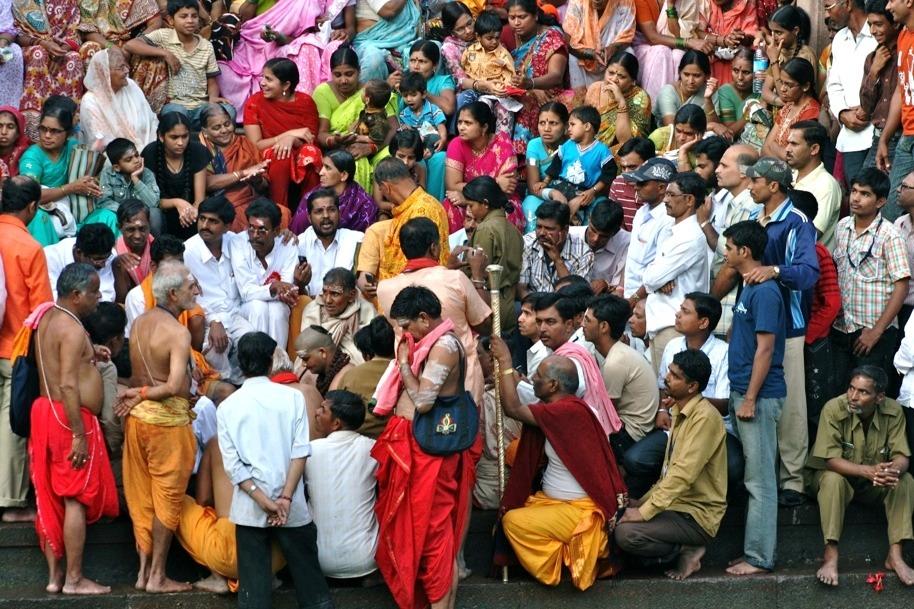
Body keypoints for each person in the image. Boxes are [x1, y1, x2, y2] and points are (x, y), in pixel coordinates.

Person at [713, 157, 819, 507]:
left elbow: (807, 273)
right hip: (753, 324)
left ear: (774, 186)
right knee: (761, 404)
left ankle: (793, 481)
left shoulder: (797, 222)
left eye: (755, 180)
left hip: (787, 327)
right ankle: (766, 479)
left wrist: (774, 269)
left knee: (789, 407)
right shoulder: (756, 221)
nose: (750, 184)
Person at [371, 286, 475, 609]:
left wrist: (403, 363)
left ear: (424, 318)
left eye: (406, 325)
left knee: (432, 534)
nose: (403, 333)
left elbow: (425, 402)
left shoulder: (443, 346)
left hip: (429, 454)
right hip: (416, 448)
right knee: (424, 532)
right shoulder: (432, 341)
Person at [493, 342, 627, 590]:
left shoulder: (568, 412)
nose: (533, 378)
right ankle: (570, 549)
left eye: (539, 376)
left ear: (553, 385)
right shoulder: (561, 409)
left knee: (512, 520)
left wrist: (505, 363)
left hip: (579, 511)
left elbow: (512, 408)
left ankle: (568, 557)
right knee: (516, 503)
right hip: (555, 503)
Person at [217, 332, 335, 609]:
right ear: (272, 361)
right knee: (311, 582)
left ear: (240, 363)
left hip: (251, 503)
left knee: (254, 591)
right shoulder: (291, 398)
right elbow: (299, 451)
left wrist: (264, 500)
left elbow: (233, 466)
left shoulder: (228, 406)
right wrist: (284, 498)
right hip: (290, 502)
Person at [29, 262, 119, 595]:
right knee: (74, 499)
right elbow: (67, 384)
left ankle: (55, 578)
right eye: (94, 292)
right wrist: (80, 434)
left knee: (51, 498)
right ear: (77, 294)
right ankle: (75, 579)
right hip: (68, 418)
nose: (99, 298)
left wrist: (88, 352)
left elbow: (59, 362)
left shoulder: (47, 317)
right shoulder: (71, 328)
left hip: (46, 413)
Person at [117, 260, 200, 593]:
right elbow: (172, 386)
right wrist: (139, 393)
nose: (196, 290)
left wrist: (136, 395)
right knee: (166, 498)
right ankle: (157, 577)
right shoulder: (178, 333)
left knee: (142, 497)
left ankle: (142, 573)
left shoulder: (137, 322)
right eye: (190, 285)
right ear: (172, 293)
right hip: (166, 424)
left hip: (137, 422)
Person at [615, 349, 726, 581]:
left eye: (675, 376)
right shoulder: (678, 411)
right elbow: (669, 473)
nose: (667, 377)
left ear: (692, 387)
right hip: (675, 507)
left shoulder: (704, 418)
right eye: (669, 371)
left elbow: (682, 475)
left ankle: (686, 549)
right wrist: (640, 502)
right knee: (618, 515)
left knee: (626, 534)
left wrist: (644, 512)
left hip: (695, 515)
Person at [625, 292, 741, 497]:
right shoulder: (672, 346)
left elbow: (724, 404)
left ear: (703, 322)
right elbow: (663, 385)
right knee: (635, 459)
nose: (677, 315)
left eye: (685, 312)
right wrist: (662, 408)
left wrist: (686, 401)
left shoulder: (724, 352)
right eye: (680, 309)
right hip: (676, 425)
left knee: (733, 468)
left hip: (714, 428)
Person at [809, 366, 914, 587]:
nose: (854, 396)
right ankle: (830, 554)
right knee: (832, 480)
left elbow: (902, 455)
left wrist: (891, 471)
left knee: (905, 480)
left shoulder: (893, 411)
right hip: (836, 480)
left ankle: (895, 555)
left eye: (863, 392)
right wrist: (868, 471)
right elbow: (831, 460)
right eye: (851, 388)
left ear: (880, 397)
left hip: (873, 484)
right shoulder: (833, 408)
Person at [721, 220, 786, 576]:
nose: (726, 253)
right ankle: (752, 550)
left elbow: (766, 350)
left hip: (757, 397)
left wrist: (749, 398)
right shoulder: (750, 285)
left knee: (760, 481)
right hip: (744, 390)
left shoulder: (764, 291)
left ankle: (759, 557)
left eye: (730, 247)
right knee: (752, 477)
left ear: (744, 251)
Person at [377, 217, 491, 405]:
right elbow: (486, 325)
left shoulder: (385, 288)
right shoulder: (455, 279)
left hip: (412, 387)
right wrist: (478, 277)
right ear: (434, 248)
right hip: (460, 387)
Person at [0, 176, 53, 523]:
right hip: (14, 351)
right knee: (11, 424)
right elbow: (42, 310)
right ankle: (11, 502)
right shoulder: (29, 247)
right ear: (32, 207)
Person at [831, 168, 910, 391]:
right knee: (841, 393)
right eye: (854, 191)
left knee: (869, 397)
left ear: (881, 201)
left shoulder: (890, 235)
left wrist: (876, 331)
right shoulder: (842, 227)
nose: (855, 198)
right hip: (843, 326)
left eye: (865, 194)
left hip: (874, 330)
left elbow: (901, 287)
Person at [630, 172, 710, 370]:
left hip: (673, 327)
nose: (665, 200)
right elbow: (653, 277)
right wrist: (658, 281)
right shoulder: (672, 230)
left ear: (689, 200)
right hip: (660, 324)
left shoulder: (690, 236)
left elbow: (650, 278)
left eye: (671, 195)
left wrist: (656, 281)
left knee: (671, 390)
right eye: (665, 194)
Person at [125, 0, 236, 130]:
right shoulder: (164, 36)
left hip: (201, 108)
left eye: (194, 16)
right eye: (183, 16)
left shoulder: (206, 46)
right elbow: (130, 45)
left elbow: (211, 80)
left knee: (229, 111)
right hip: (175, 106)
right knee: (174, 114)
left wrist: (213, 99)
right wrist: (165, 53)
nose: (190, 20)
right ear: (171, 20)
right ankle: (193, 130)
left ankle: (202, 129)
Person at [306, 389, 379, 579]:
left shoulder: (310, 451)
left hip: (319, 560)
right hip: (368, 558)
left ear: (336, 423)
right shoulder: (372, 448)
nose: (316, 412)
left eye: (322, 409)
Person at [183, 195, 254, 384]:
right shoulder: (187, 252)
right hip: (206, 318)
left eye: (213, 221)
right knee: (216, 347)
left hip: (235, 314)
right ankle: (220, 388)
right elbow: (190, 298)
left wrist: (284, 235)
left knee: (254, 341)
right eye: (202, 219)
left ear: (228, 226)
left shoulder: (236, 241)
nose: (205, 225)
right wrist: (214, 320)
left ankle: (244, 386)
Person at [242, 57, 323, 209]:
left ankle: (311, 209)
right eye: (263, 78)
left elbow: (310, 140)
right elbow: (256, 145)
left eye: (269, 79)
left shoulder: (305, 102)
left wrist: (291, 140)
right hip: (269, 154)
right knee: (281, 153)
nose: (262, 83)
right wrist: (286, 137)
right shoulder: (254, 102)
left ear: (286, 84)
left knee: (311, 152)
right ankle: (278, 211)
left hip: (299, 151)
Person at [582, 295, 658, 457]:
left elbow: (606, 412)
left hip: (631, 434)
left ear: (603, 327)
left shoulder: (615, 362)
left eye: (588, 320)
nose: (582, 325)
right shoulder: (616, 352)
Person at [314, 48, 397, 192]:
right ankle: (357, 208)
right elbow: (321, 133)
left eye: (349, 74)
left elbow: (393, 127)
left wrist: (371, 148)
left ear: (359, 71)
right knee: (355, 163)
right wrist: (336, 140)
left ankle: (383, 209)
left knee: (391, 159)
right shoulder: (323, 92)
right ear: (331, 72)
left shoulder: (372, 91)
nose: (344, 80)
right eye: (337, 75)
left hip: (377, 144)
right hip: (340, 149)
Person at [19, 104, 96, 246]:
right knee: (40, 218)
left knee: (106, 215)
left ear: (67, 133)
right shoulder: (32, 157)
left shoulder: (73, 146)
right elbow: (29, 195)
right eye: (43, 129)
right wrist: (70, 188)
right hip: (45, 211)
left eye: (54, 131)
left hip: (74, 207)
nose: (47, 135)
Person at [702, 143, 760, 335]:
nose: (717, 170)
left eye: (724, 166)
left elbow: (732, 268)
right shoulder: (735, 203)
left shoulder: (748, 206)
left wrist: (709, 303)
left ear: (744, 173)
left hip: (729, 309)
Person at [229, 198, 300, 351]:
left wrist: (278, 290)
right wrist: (273, 288)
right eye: (251, 228)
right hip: (246, 307)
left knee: (278, 309)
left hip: (277, 306)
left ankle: (277, 364)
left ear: (276, 231)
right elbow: (246, 292)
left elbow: (286, 290)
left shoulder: (288, 244)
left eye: (262, 230)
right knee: (257, 307)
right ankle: (258, 364)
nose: (254, 235)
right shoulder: (238, 243)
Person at [443, 102, 525, 234]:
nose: (461, 128)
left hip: (498, 201)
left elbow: (507, 188)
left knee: (508, 212)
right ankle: (456, 253)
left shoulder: (502, 144)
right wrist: (496, 182)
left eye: (468, 123)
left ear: (484, 127)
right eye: (459, 122)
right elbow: (452, 185)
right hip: (469, 197)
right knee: (450, 206)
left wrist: (470, 197)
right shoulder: (456, 144)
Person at [11, 0, 88, 137]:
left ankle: (67, 125)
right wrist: (43, 43)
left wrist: (61, 52)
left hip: (61, 48)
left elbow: (75, 33)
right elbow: (16, 34)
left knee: (74, 59)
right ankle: (33, 129)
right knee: (39, 54)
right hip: (33, 46)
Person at [507, 0, 574, 155]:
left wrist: (531, 84)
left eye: (522, 17)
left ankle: (531, 160)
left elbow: (556, 76)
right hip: (524, 92)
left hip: (551, 95)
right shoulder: (517, 37)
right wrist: (530, 88)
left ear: (535, 16)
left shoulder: (552, 36)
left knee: (532, 107)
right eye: (512, 17)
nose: (516, 22)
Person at [463, 176, 524, 337]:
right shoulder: (514, 230)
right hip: (509, 304)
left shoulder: (485, 229)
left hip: (488, 302)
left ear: (484, 203)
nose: (469, 210)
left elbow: (477, 270)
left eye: (471, 205)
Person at [826, 0, 877, 188]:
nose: (827, 15)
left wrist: (866, 110)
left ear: (847, 3)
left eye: (828, 7)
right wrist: (842, 113)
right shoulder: (840, 39)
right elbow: (834, 85)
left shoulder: (877, 33)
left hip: (878, 128)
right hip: (851, 134)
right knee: (858, 196)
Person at [535, 105, 617, 223]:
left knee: (575, 217)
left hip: (583, 192)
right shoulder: (568, 145)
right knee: (553, 213)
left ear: (587, 126)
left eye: (572, 125)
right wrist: (545, 182)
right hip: (561, 186)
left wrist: (593, 191)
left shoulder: (602, 150)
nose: (568, 129)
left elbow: (609, 174)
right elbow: (555, 166)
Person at [374, 157, 450, 280]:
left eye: (381, 190)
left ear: (386, 187)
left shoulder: (421, 211)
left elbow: (416, 266)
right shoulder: (420, 205)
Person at [141, 112, 213, 240]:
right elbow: (151, 200)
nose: (181, 142)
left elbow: (199, 199)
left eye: (185, 136)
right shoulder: (150, 153)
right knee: (153, 215)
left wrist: (192, 210)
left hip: (190, 213)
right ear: (161, 136)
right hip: (162, 211)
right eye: (174, 137)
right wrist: (177, 202)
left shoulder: (198, 151)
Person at [199, 104, 271, 231]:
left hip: (250, 200)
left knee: (283, 213)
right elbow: (206, 183)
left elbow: (264, 185)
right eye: (216, 128)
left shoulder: (244, 144)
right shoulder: (201, 149)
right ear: (205, 131)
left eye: (227, 124)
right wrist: (242, 173)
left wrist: (257, 179)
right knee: (237, 219)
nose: (224, 130)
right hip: (219, 204)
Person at [79, 47, 159, 151]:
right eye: (121, 68)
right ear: (105, 73)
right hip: (115, 158)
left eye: (126, 65)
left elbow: (151, 121)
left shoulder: (131, 85)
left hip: (147, 150)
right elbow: (99, 140)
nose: (127, 70)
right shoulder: (91, 100)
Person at [621, 157, 677, 297]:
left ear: (661, 188)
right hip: (629, 294)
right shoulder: (641, 212)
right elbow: (632, 259)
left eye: (642, 183)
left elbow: (660, 272)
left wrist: (634, 300)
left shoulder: (668, 220)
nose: (636, 186)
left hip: (648, 300)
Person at [301, 268, 376, 366]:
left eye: (335, 294)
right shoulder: (313, 310)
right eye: (325, 292)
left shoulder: (366, 310)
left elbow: (370, 352)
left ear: (351, 295)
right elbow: (307, 348)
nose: (327, 300)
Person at [786, 121, 842, 249]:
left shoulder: (826, 185)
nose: (787, 149)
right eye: (788, 143)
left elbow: (811, 234)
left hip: (810, 264)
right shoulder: (790, 175)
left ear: (814, 149)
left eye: (794, 144)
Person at [518, 202, 594, 296]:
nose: (542, 233)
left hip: (566, 308)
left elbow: (576, 297)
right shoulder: (527, 243)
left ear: (565, 230)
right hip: (534, 306)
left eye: (549, 229)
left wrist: (558, 260)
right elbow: (522, 289)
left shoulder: (584, 254)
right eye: (538, 227)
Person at [291, 151, 377, 234]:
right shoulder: (312, 195)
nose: (321, 173)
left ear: (343, 175)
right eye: (322, 167)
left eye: (327, 168)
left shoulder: (364, 205)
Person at [337, 316, 396, 437]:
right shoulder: (406, 372)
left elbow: (337, 409)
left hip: (356, 440)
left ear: (366, 354)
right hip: (395, 440)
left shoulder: (351, 375)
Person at [585, 51, 652, 155]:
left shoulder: (640, 97)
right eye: (610, 73)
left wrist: (621, 102)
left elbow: (626, 142)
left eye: (621, 76)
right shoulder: (595, 89)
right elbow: (584, 126)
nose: (614, 79)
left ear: (632, 81)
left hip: (620, 154)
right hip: (589, 148)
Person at [860, 0, 899, 172]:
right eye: (870, 24)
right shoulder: (872, 58)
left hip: (901, 138)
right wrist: (874, 71)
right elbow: (866, 107)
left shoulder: (905, 54)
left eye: (879, 24)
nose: (873, 31)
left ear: (895, 23)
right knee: (864, 188)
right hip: (877, 138)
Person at [562, 0, 636, 89]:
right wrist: (590, 53)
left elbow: (627, 36)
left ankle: (621, 94)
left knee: (629, 52)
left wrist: (612, 48)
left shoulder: (625, 2)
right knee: (573, 58)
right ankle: (580, 99)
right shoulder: (577, 2)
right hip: (583, 58)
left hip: (612, 60)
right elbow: (568, 41)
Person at [96, 139, 161, 236]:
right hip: (119, 214)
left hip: (142, 216)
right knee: (105, 215)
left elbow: (153, 203)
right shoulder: (108, 174)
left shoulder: (147, 173)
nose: (136, 160)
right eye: (129, 159)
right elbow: (104, 201)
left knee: (155, 214)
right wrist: (127, 212)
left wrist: (136, 180)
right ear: (117, 167)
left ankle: (155, 247)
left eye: (137, 155)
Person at [760, 58, 821, 161]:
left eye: (789, 85)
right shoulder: (788, 107)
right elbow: (765, 147)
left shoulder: (811, 111)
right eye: (782, 83)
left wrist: (774, 146)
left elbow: (794, 157)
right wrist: (777, 150)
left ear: (805, 86)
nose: (782, 89)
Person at [523, 102, 570, 232]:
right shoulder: (534, 145)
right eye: (542, 123)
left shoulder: (572, 146)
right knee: (530, 205)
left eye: (553, 123)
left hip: (570, 196)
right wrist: (552, 193)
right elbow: (533, 187)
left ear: (565, 126)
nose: (546, 129)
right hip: (542, 196)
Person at [760, 5, 819, 108]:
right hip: (782, 110)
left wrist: (774, 60)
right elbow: (765, 91)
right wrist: (779, 101)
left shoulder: (805, 55)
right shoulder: (779, 52)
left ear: (795, 30)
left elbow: (784, 94)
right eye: (772, 32)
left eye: (779, 32)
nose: (774, 38)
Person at [350, 0, 420, 83]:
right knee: (374, 59)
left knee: (427, 52)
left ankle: (421, 93)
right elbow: (389, 10)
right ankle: (369, 94)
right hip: (371, 41)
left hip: (403, 40)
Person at [569, 199, 629, 295]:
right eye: (593, 230)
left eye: (603, 236)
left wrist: (606, 285)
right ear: (589, 219)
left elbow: (620, 287)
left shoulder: (626, 243)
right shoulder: (570, 235)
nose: (595, 239)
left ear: (615, 232)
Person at [44, 223, 116, 301]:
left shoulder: (108, 255)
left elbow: (108, 295)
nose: (103, 265)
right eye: (97, 260)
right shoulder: (50, 256)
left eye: (106, 259)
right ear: (79, 252)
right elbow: (53, 297)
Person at [654, 51, 722, 129]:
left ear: (707, 76)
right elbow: (672, 129)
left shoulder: (709, 90)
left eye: (697, 76)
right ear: (679, 72)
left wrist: (708, 100)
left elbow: (715, 127)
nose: (691, 81)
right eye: (686, 74)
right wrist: (710, 126)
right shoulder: (667, 92)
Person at [461, 10, 516, 92]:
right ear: (478, 37)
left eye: (497, 38)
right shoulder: (470, 51)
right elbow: (464, 70)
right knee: (462, 99)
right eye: (489, 38)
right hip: (474, 89)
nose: (494, 42)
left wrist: (501, 89)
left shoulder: (503, 55)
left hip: (496, 92)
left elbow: (510, 76)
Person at [111, 201, 154, 303]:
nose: (137, 236)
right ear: (119, 227)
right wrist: (117, 265)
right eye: (130, 229)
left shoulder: (159, 250)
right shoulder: (112, 254)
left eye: (142, 229)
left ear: (150, 225)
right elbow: (120, 301)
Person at [611, 136, 656, 231]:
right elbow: (616, 225)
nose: (626, 173)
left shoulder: (662, 188)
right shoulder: (617, 184)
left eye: (632, 167)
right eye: (623, 168)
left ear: (649, 163)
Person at [295, 326, 356, 396]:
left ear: (322, 352)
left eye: (305, 359)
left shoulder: (347, 374)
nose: (303, 364)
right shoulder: (314, 374)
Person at [398, 72, 448, 155]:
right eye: (405, 96)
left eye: (413, 95)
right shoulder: (403, 115)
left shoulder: (433, 109)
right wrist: (404, 128)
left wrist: (443, 138)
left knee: (434, 138)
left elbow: (440, 126)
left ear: (424, 94)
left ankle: (428, 153)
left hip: (431, 141)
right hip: (415, 144)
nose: (409, 99)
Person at [715, 47, 757, 133]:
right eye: (736, 71)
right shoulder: (725, 92)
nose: (740, 77)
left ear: (756, 72)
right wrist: (749, 114)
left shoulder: (761, 92)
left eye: (746, 72)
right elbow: (729, 132)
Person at [354, 80, 394, 151]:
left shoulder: (378, 120)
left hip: (363, 148)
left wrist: (357, 138)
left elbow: (376, 139)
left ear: (367, 99)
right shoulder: (368, 111)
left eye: (363, 91)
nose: (361, 92)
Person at [0, 3, 22, 108]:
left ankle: (8, 109)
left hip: (1, 41)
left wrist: (2, 47)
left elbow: (8, 29)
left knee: (14, 52)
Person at [0, 106, 29, 180]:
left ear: (18, 132)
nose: (3, 132)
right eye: (0, 126)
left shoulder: (26, 155)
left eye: (10, 127)